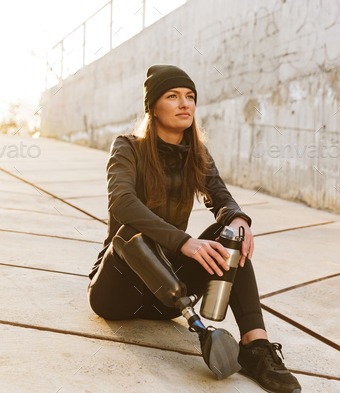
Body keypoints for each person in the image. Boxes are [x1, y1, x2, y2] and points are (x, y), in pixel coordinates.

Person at [87, 64, 301, 393]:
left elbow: (221, 197)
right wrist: (185, 242)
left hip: (169, 295)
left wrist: (237, 219)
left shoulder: (196, 154)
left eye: (190, 96)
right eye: (172, 96)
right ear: (153, 108)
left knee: (231, 236)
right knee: (128, 234)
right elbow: (122, 203)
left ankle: (256, 347)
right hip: (118, 292)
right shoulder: (128, 147)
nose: (185, 103)